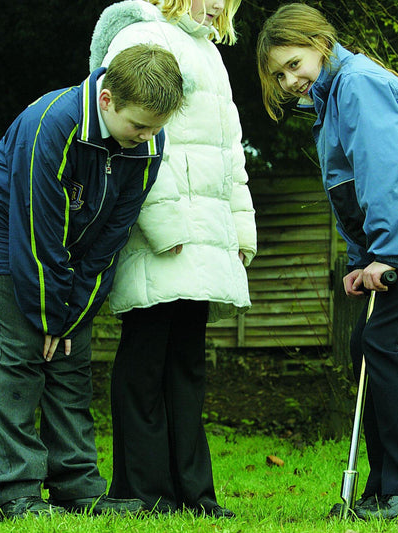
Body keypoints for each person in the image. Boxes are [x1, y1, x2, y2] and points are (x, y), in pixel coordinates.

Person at [256, 3, 398, 521]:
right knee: (369, 345)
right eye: (279, 75)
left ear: (320, 44)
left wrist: (382, 254)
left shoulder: (357, 84)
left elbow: (384, 172)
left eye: (294, 64)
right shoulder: (332, 98)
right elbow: (351, 188)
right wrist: (359, 259)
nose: (289, 81)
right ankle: (386, 489)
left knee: (384, 344)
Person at [0, 43, 184, 520]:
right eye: (139, 126)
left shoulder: (147, 141)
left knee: (72, 359)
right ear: (107, 101)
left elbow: (113, 235)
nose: (147, 138)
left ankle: (77, 489)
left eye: (156, 128)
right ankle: (16, 493)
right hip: (11, 229)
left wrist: (74, 314)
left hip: (82, 236)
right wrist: (49, 316)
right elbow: (37, 233)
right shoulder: (49, 125)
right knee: (21, 356)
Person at [89, 0, 256, 517]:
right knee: (144, 363)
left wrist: (240, 229)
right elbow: (132, 139)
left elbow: (229, 152)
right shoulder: (140, 35)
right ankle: (143, 493)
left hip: (206, 234)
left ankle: (195, 495)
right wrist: (165, 226)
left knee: (187, 366)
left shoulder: (210, 53)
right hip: (159, 233)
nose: (218, 6)